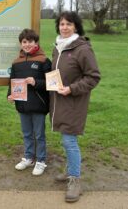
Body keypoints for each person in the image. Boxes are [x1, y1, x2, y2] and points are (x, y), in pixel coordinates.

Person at [50, 11, 101, 202]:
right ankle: (70, 170)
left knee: (69, 141)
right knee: (65, 140)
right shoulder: (58, 47)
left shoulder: (82, 49)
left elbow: (93, 77)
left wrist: (71, 89)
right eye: (62, 24)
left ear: (76, 27)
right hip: (59, 100)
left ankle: (75, 181)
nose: (64, 27)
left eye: (68, 24)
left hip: (73, 102)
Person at [8, 29, 52, 176]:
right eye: (24, 42)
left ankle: (41, 160)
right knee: (27, 133)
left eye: (30, 41)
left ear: (36, 42)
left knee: (39, 134)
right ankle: (28, 158)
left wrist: (35, 82)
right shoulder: (16, 63)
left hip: (39, 104)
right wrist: (10, 95)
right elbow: (12, 82)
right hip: (22, 104)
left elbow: (52, 83)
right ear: (21, 43)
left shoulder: (44, 61)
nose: (27, 45)